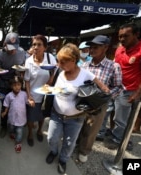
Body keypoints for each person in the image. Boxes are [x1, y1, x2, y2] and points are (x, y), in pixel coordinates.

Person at [45, 43, 109, 174]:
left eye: (63, 62)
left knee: (69, 143)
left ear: (73, 61)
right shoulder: (59, 71)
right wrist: (47, 89)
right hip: (56, 114)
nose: (59, 64)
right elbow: (50, 85)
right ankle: (53, 151)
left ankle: (63, 160)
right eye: (58, 61)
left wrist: (103, 92)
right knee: (51, 138)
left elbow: (102, 87)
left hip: (75, 118)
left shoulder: (85, 74)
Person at [77, 35, 123, 163]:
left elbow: (118, 87)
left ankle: (84, 151)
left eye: (95, 47)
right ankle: (76, 144)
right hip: (83, 100)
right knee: (78, 124)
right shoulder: (85, 65)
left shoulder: (114, 66)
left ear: (105, 47)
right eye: (90, 47)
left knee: (91, 130)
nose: (91, 50)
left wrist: (107, 95)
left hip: (99, 104)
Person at [105, 23, 141, 150]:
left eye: (125, 36)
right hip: (114, 87)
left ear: (136, 34)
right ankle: (113, 133)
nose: (121, 39)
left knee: (121, 118)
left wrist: (137, 93)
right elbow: (114, 66)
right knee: (109, 112)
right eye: (120, 36)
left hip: (129, 91)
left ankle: (119, 140)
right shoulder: (120, 48)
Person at [24, 34, 57, 147]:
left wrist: (51, 80)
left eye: (39, 45)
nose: (36, 47)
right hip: (33, 94)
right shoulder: (28, 61)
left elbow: (54, 72)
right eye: (34, 45)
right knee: (31, 117)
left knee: (42, 115)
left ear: (45, 47)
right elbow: (27, 80)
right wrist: (29, 96)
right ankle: (29, 134)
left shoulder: (50, 58)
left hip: (46, 94)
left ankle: (39, 130)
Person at [0, 32, 26, 138]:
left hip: (16, 81)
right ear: (4, 44)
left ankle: (18, 123)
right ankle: (4, 125)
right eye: (10, 47)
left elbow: (23, 66)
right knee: (5, 106)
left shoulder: (21, 52)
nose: (13, 50)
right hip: (3, 82)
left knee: (18, 104)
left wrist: (21, 72)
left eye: (15, 47)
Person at [1, 76, 32, 153]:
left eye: (19, 85)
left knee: (19, 131)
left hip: (21, 118)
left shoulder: (24, 94)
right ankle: (12, 133)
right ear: (11, 86)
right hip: (12, 117)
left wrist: (31, 103)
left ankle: (18, 143)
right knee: (11, 128)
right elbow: (6, 105)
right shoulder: (9, 95)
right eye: (14, 85)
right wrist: (5, 112)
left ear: (21, 85)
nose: (17, 87)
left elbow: (27, 102)